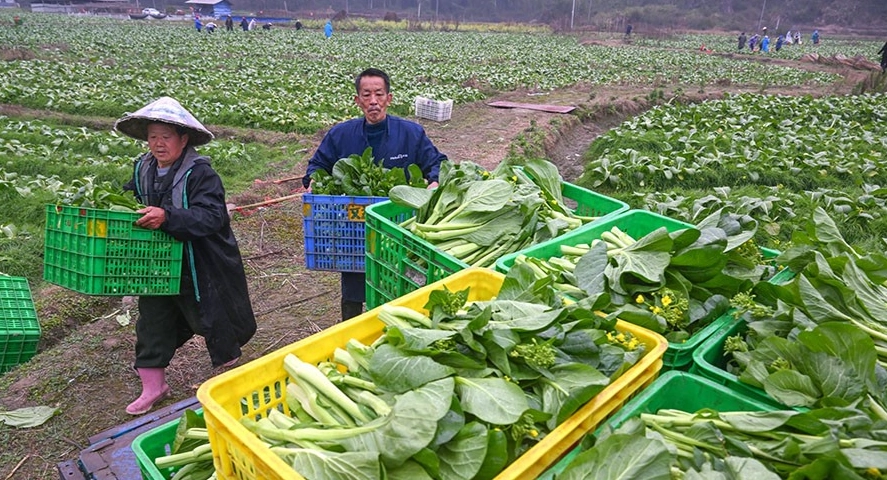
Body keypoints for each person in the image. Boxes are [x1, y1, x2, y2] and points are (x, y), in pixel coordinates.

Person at [114, 97, 257, 415]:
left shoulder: (201, 174)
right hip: (157, 264)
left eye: (166, 136)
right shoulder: (143, 168)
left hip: (200, 263)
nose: (158, 143)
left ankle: (229, 378)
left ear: (183, 139)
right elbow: (131, 199)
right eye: (153, 136)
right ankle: (153, 386)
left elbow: (212, 217)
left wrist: (168, 217)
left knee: (213, 319)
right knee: (152, 320)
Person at [302, 68, 447, 321]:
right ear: (357, 100)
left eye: (379, 94)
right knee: (355, 280)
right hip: (354, 226)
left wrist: (434, 181)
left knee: (398, 278)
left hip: (399, 223)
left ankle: (395, 324)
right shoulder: (340, 134)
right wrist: (314, 179)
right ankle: (351, 326)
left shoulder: (411, 134)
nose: (373, 101)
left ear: (389, 98)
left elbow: (438, 163)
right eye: (366, 95)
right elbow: (317, 165)